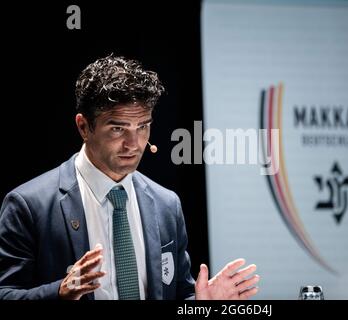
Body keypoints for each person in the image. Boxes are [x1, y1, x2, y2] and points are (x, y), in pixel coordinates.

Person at [0, 55, 260, 300]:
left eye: (143, 126)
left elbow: (179, 292)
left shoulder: (166, 204)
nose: (133, 144)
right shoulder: (28, 205)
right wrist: (60, 292)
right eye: (118, 128)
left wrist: (199, 302)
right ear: (83, 127)